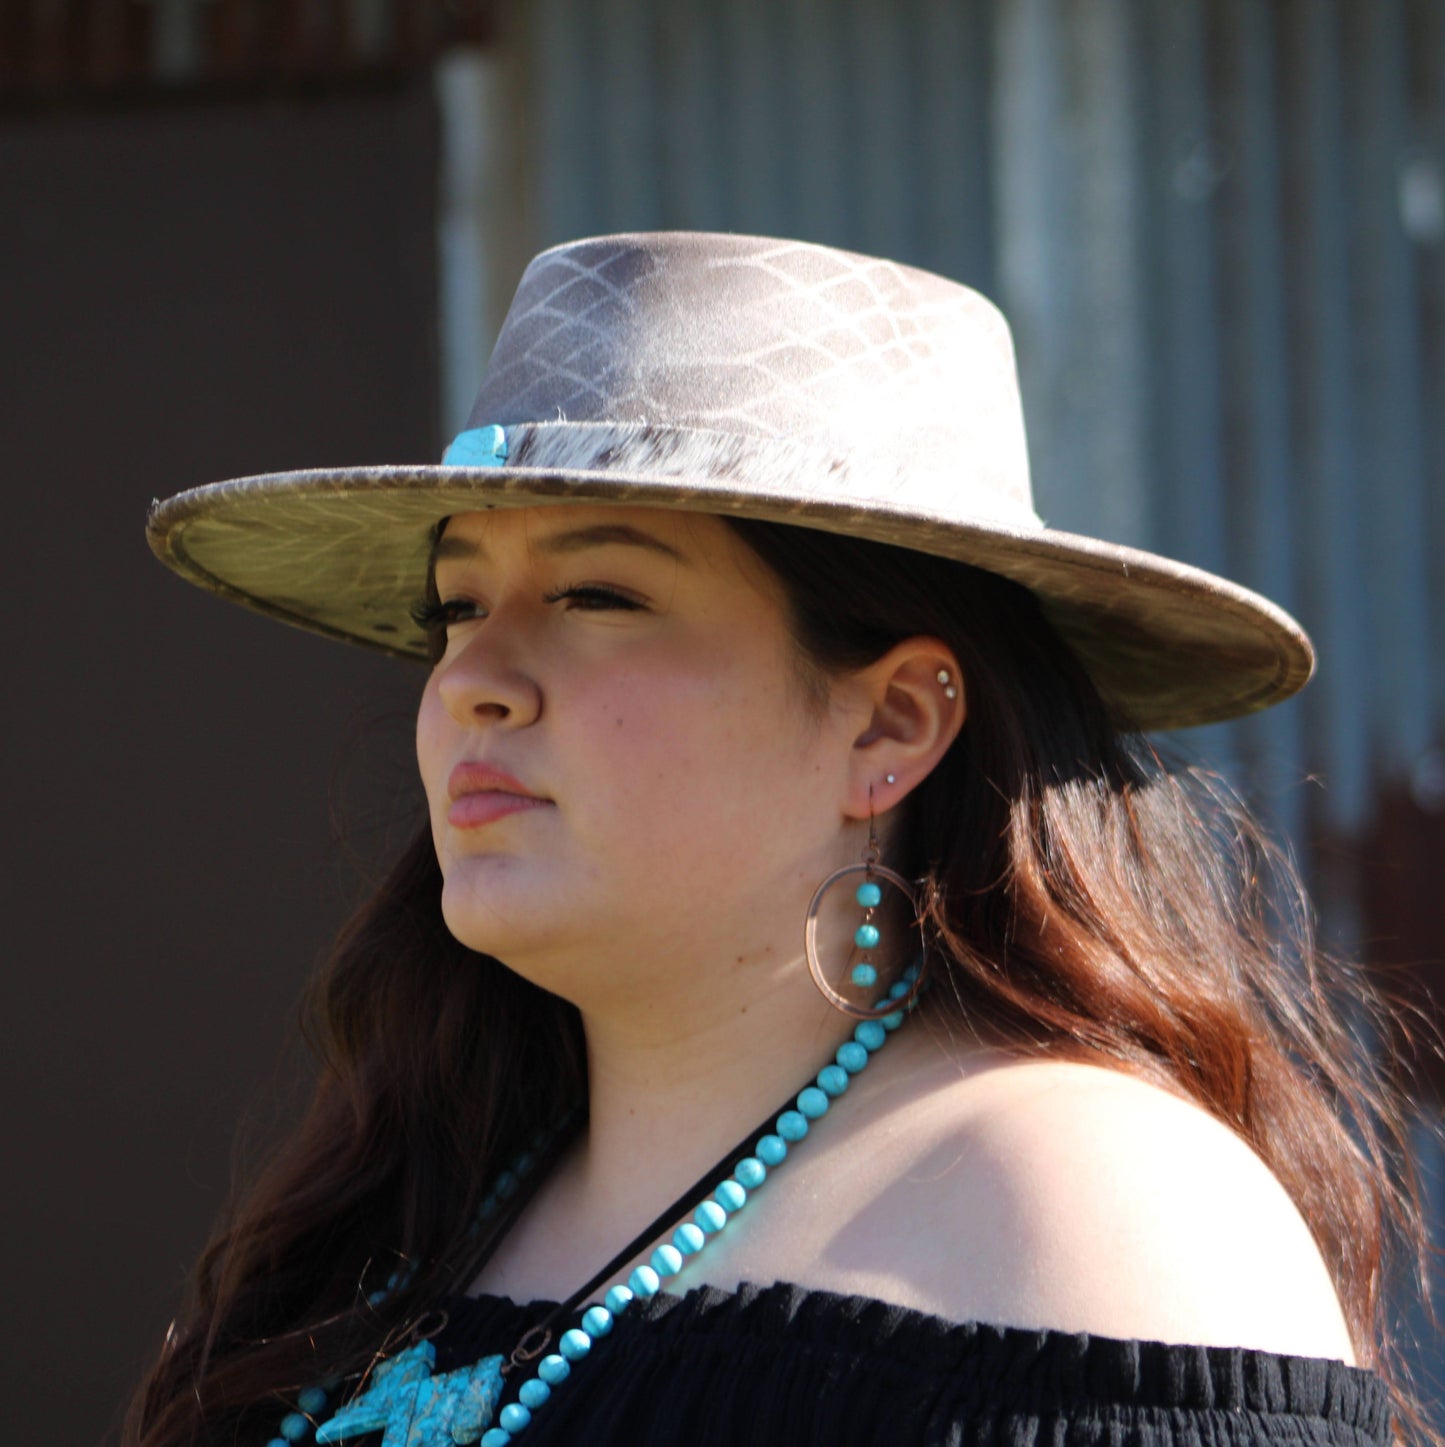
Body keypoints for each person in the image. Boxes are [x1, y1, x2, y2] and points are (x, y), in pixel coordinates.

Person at [128, 233, 1425, 1447]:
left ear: (893, 722)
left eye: (599, 593)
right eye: (456, 605)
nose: (477, 678)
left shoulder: (1083, 1208)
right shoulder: (416, 1197)